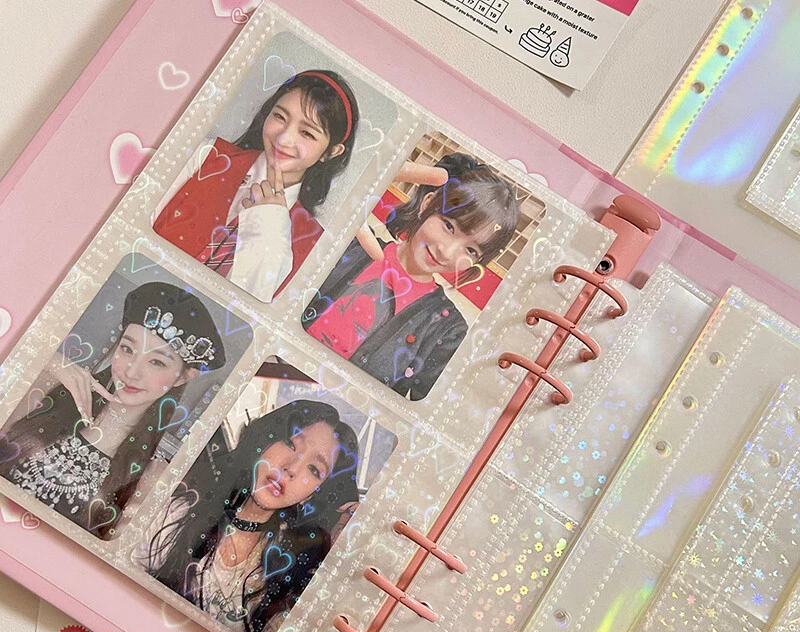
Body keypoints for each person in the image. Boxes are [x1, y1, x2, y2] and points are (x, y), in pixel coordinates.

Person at [0, 281, 225, 538]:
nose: (131, 371)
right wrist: (52, 362)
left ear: (183, 377)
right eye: (127, 349)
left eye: (156, 362)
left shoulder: (152, 478)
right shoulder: (46, 389)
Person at [139, 399, 359, 632]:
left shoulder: (283, 575)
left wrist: (342, 550)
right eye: (290, 443)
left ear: (311, 495)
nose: (292, 469)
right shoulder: (179, 510)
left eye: (314, 470)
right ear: (267, 439)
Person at [302, 152, 520, 400]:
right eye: (449, 226)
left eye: (471, 250)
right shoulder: (353, 245)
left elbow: (428, 410)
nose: (447, 252)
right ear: (428, 204)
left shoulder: (449, 330)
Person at [153, 69, 360, 303]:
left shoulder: (313, 245)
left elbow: (245, 311)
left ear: (331, 152)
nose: (283, 138)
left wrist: (269, 224)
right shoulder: (207, 157)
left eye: (307, 133)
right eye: (280, 117)